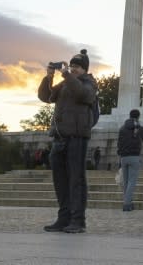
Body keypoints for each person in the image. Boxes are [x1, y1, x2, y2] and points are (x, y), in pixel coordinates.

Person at [38, 49, 97, 233]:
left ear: (85, 69)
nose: (72, 70)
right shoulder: (64, 84)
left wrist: (66, 75)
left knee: (76, 180)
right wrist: (48, 78)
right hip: (59, 138)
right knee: (60, 181)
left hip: (77, 138)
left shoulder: (90, 83)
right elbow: (45, 97)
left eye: (76, 67)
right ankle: (63, 218)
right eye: (71, 66)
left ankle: (78, 220)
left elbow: (83, 95)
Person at [117, 109, 143, 211]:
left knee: (126, 182)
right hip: (134, 156)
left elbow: (119, 143)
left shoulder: (122, 128)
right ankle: (126, 204)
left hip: (123, 157)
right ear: (138, 117)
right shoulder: (140, 128)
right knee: (132, 182)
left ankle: (129, 202)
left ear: (129, 116)